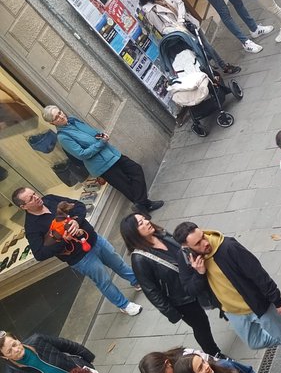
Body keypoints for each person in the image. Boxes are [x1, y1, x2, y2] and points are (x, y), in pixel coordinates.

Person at [173, 221, 281, 364]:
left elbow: (258, 274)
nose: (205, 243)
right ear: (186, 247)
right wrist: (200, 274)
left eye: (203, 236)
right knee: (255, 343)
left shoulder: (228, 247)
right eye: (198, 243)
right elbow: (190, 290)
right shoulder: (186, 259)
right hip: (232, 311)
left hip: (258, 305)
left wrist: (278, 301)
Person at [15, 187, 143, 315]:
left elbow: (79, 205)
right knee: (104, 281)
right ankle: (124, 305)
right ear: (24, 207)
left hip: (94, 239)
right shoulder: (32, 227)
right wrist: (63, 240)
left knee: (118, 263)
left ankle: (137, 281)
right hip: (80, 257)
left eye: (34, 193)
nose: (36, 197)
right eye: (31, 198)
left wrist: (76, 222)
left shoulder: (49, 199)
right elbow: (40, 254)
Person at [120, 213, 222, 354]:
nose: (147, 222)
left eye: (144, 219)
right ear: (133, 232)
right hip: (182, 299)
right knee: (201, 325)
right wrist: (171, 313)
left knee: (217, 299)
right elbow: (151, 290)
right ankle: (214, 353)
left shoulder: (161, 234)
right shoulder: (139, 259)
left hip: (195, 278)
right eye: (141, 223)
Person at [43, 108, 162, 215]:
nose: (61, 116)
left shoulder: (74, 119)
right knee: (126, 185)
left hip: (111, 153)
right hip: (101, 165)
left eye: (59, 112)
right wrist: (101, 143)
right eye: (56, 117)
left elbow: (91, 134)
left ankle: (141, 205)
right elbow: (81, 154)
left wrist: (100, 136)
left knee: (135, 169)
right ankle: (146, 205)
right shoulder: (63, 137)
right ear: (52, 123)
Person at [135, 0, 238, 75]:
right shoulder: (149, 10)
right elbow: (162, 28)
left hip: (188, 23)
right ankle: (211, 71)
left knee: (206, 45)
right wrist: (178, 28)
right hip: (181, 35)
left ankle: (223, 66)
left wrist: (181, 19)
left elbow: (179, 2)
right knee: (198, 51)